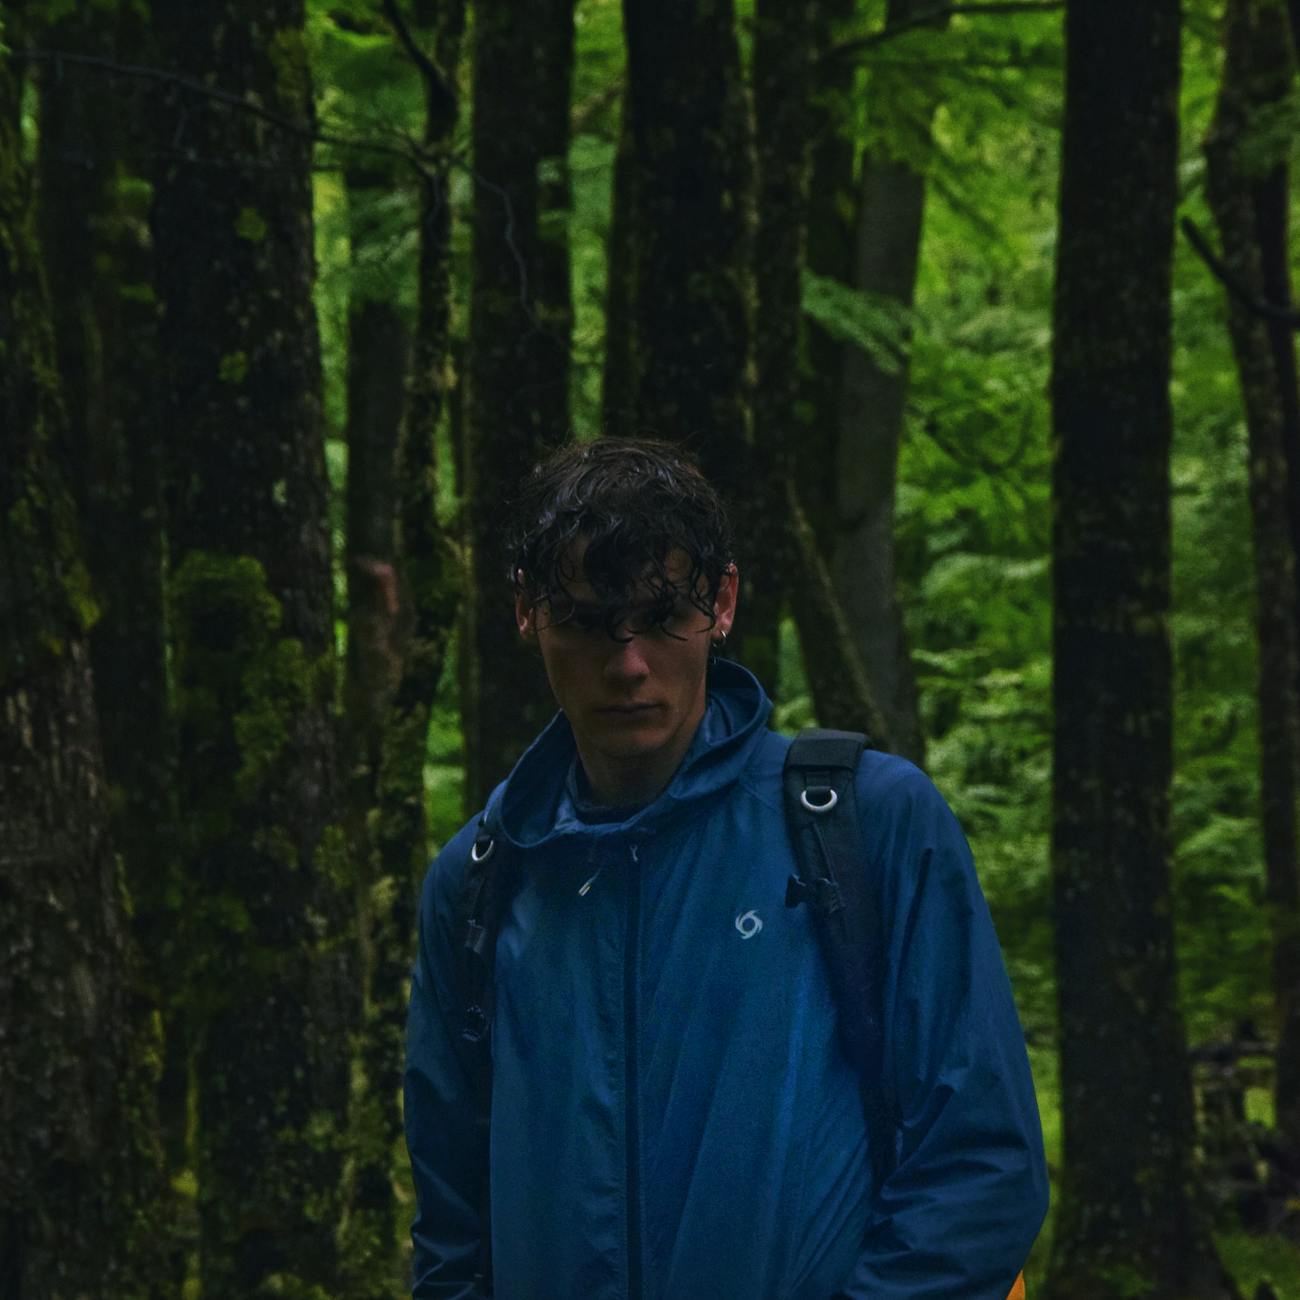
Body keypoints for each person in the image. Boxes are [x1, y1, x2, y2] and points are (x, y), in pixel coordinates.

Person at [404, 438, 1049, 1299]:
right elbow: (453, 1236)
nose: (629, 664)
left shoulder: (868, 824)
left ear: (724, 602)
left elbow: (980, 1169)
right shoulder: (482, 882)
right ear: (527, 612)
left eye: (664, 615)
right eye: (592, 621)